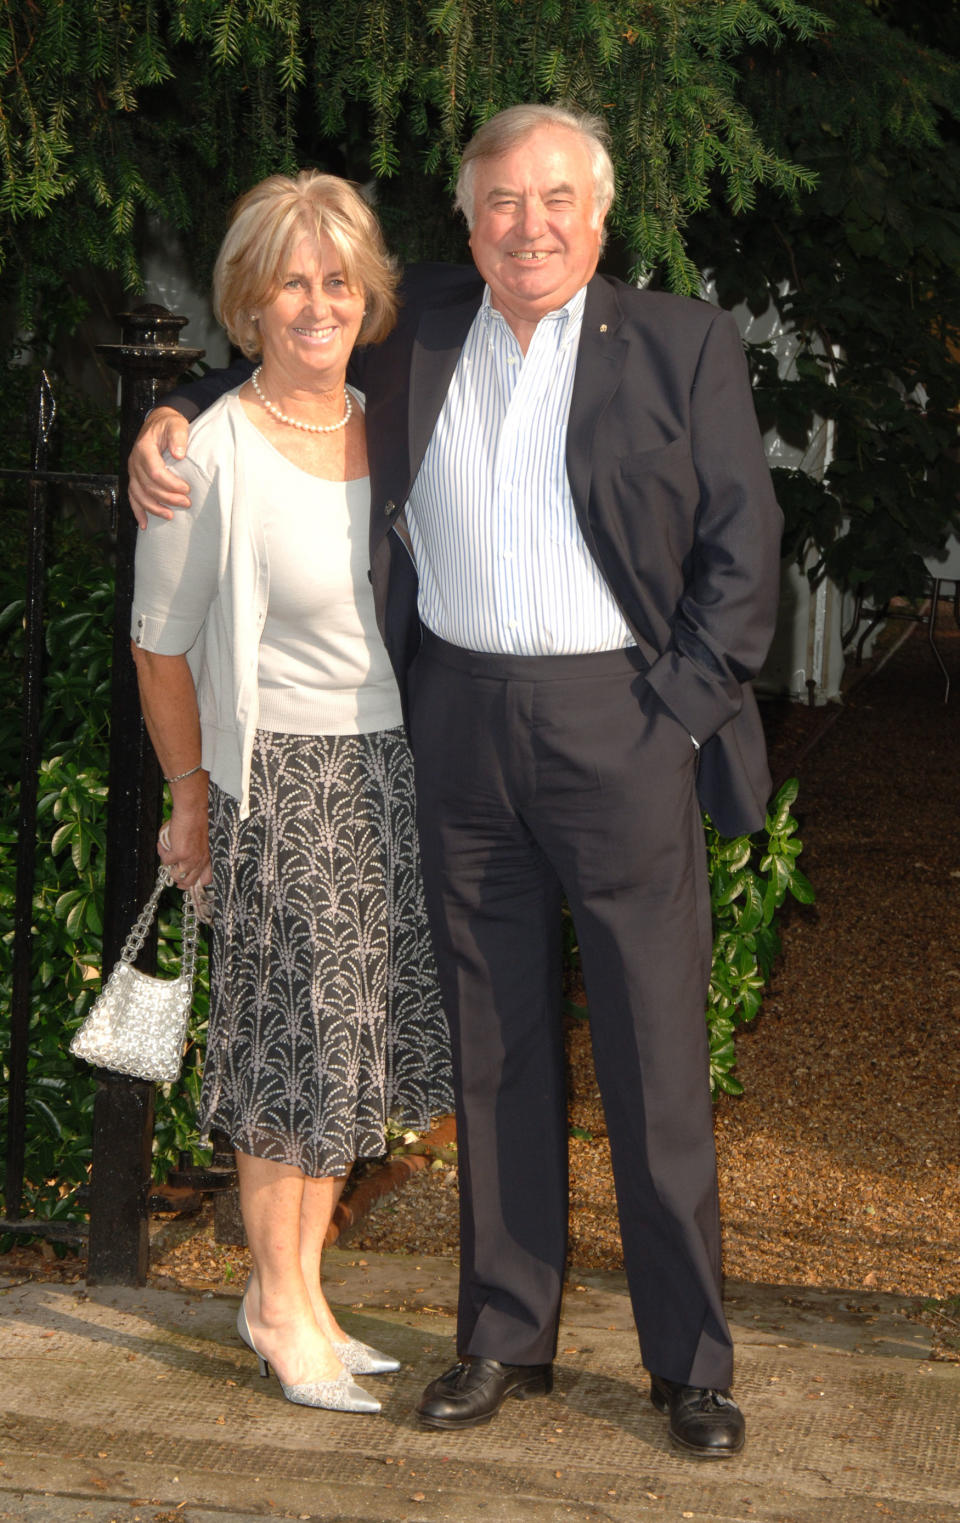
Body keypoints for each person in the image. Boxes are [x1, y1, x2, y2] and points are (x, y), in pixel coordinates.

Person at [128, 104, 783, 1457]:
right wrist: (167, 413)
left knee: (657, 1054)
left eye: (555, 200)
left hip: (624, 721)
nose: (529, 225)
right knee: (492, 1049)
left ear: (598, 215)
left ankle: (691, 1363)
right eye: (502, 202)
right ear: (468, 219)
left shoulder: (679, 344)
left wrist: (666, 719)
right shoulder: (414, 320)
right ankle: (504, 1332)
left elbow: (743, 554)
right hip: (459, 726)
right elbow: (276, 335)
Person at [130, 169, 453, 1415]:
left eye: (336, 279)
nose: (315, 304)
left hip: (391, 771)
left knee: (351, 1049)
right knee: (292, 1053)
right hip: (284, 783)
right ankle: (273, 1298)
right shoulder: (207, 452)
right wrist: (192, 794)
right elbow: (162, 644)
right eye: (288, 282)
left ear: (367, 294)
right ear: (248, 303)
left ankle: (307, 1290)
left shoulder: (391, 417)